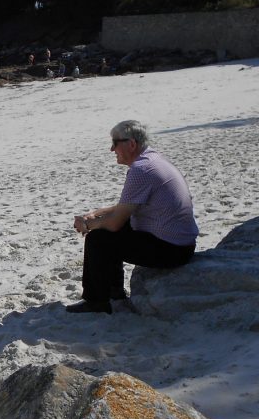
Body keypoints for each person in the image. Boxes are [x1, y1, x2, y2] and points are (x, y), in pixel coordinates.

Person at [68, 120, 198, 314]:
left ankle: (97, 301)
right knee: (112, 229)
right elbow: (124, 207)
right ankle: (114, 291)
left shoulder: (141, 170)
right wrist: (95, 214)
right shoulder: (152, 160)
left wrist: (88, 224)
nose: (112, 149)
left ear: (131, 144)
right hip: (182, 243)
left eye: (115, 143)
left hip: (172, 251)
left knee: (99, 239)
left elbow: (114, 223)